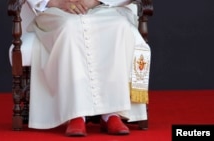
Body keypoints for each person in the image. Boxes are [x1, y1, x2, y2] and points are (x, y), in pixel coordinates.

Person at [25, 0, 150, 137]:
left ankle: (112, 114)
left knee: (119, 26)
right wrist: (58, 3)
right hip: (58, 11)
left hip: (103, 8)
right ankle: (76, 114)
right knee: (70, 27)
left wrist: (94, 1)